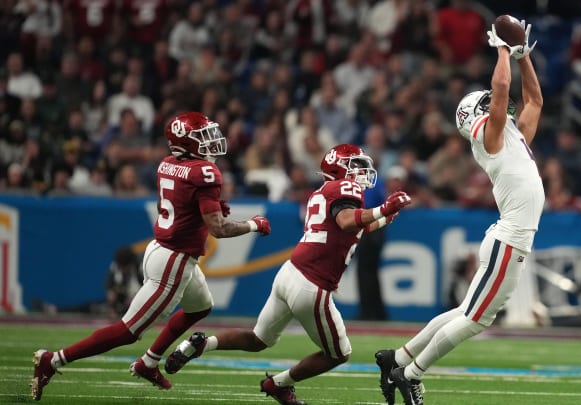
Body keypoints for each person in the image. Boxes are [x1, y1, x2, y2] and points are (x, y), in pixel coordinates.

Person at [31, 112, 271, 400]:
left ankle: (148, 362)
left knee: (200, 307)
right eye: (202, 136)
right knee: (127, 330)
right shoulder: (204, 172)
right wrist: (253, 225)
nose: (210, 142)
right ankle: (54, 359)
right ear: (186, 143)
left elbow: (186, 201)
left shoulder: (168, 164)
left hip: (164, 250)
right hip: (174, 260)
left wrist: (212, 204)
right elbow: (218, 229)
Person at [375, 18, 545, 405]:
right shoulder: (490, 137)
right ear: (477, 115)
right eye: (488, 103)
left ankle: (396, 358)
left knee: (465, 310)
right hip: (510, 238)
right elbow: (501, 89)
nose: (496, 102)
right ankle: (410, 373)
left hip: (508, 237)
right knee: (476, 319)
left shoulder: (510, 135)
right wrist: (503, 48)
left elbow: (534, 101)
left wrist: (523, 57)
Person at [163, 144, 412, 405]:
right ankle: (278, 384)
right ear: (340, 169)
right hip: (312, 285)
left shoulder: (322, 193)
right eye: (356, 165)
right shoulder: (344, 188)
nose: (361, 171)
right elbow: (347, 221)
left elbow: (351, 229)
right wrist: (383, 209)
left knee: (259, 339)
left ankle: (202, 344)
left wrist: (385, 217)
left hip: (290, 273)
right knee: (339, 354)